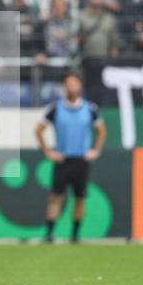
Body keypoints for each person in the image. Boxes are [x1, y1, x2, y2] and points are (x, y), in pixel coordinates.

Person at [35, 71, 106, 243]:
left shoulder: (90, 108)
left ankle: (75, 235)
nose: (71, 86)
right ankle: (49, 234)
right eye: (68, 83)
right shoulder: (55, 108)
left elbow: (101, 130)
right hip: (62, 160)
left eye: (74, 83)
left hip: (81, 160)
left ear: (80, 86)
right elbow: (39, 130)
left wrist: (95, 150)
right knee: (55, 198)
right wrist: (48, 151)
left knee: (80, 198)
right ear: (64, 87)